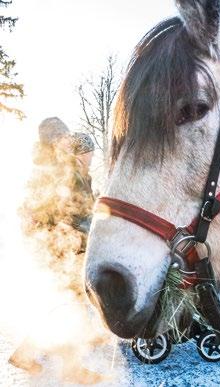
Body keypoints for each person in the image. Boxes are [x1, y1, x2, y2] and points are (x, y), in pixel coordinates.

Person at [9, 118, 106, 384]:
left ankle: (26, 353)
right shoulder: (59, 170)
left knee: (61, 306)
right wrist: (94, 230)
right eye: (63, 135)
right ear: (55, 140)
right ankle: (71, 368)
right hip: (64, 248)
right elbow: (72, 212)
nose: (68, 139)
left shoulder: (54, 167)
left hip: (59, 246)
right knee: (69, 309)